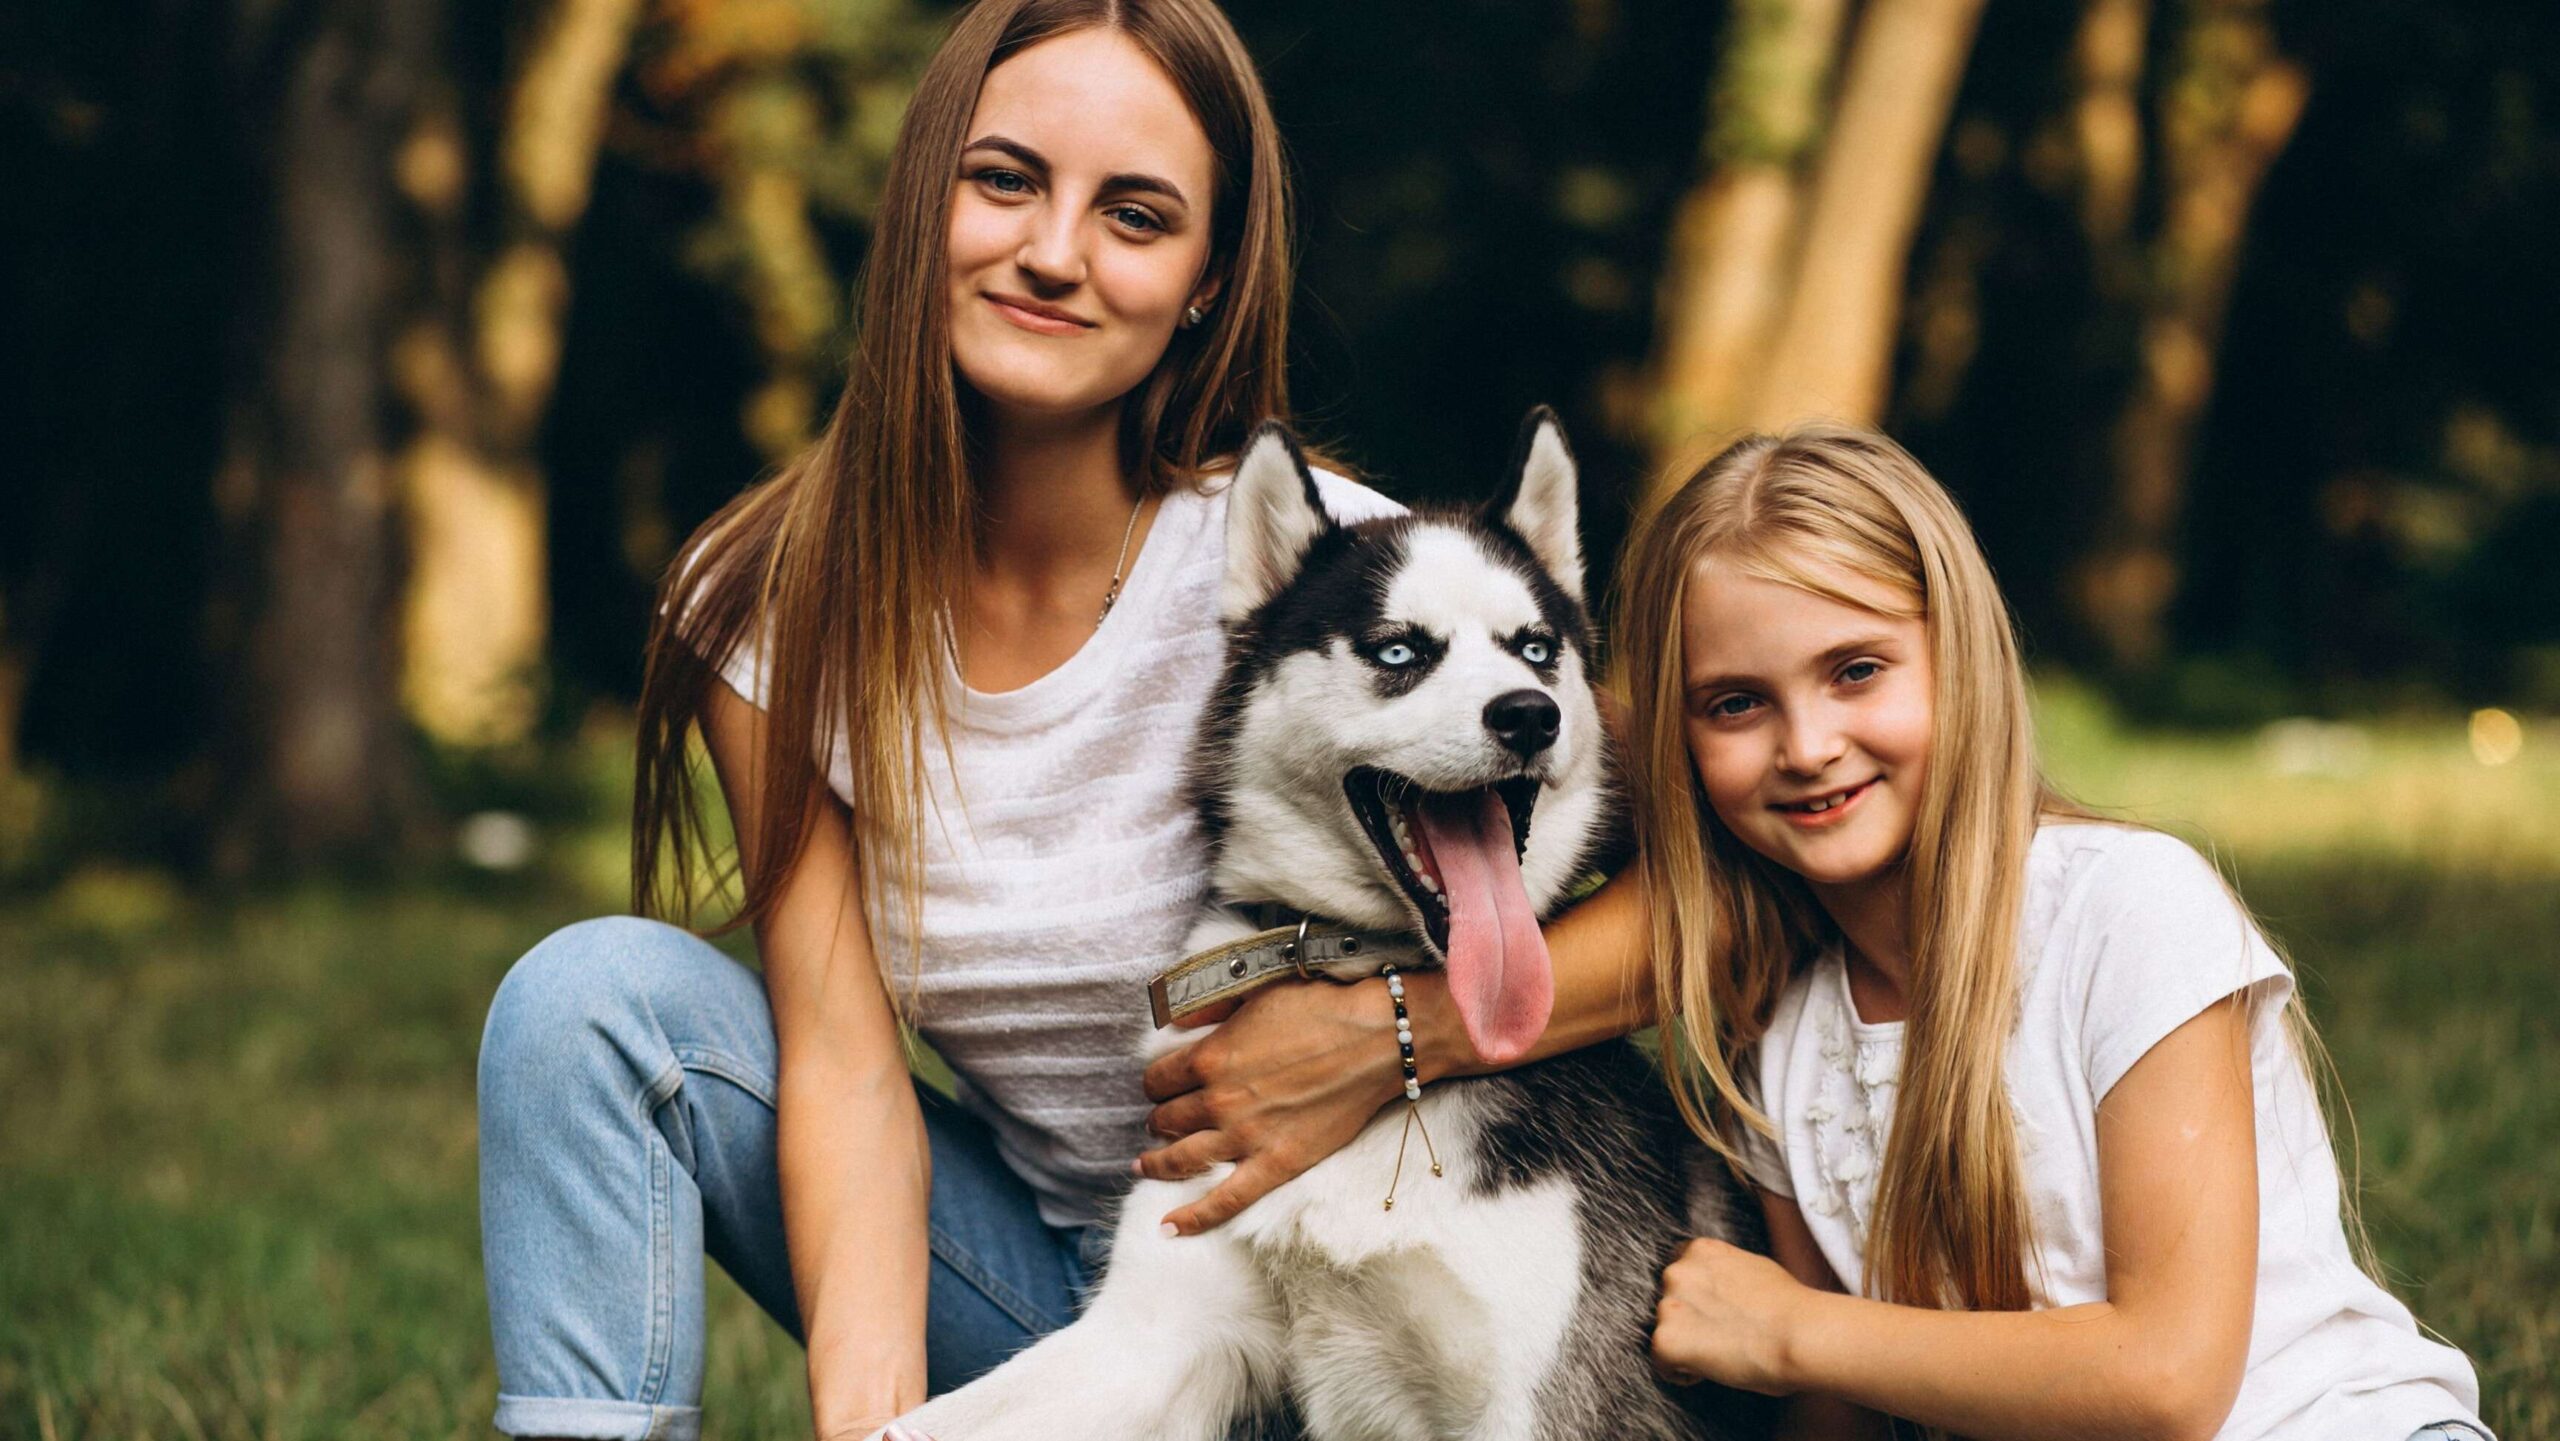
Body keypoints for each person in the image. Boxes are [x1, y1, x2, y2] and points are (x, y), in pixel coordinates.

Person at [473, 2, 1429, 1437]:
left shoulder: (1334, 574)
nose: (1053, 252)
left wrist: (1406, 1030)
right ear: (925, 197)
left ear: (1208, 284)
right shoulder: (771, 605)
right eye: (1005, 180)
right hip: (1068, 1320)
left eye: (1135, 214)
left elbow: (1695, 879)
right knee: (591, 1005)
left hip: (1358, 1340)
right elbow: (851, 1079)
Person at [1622, 427, 2491, 1440]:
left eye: (1856, 670)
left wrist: (1788, 1332)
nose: (1808, 746)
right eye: (1735, 704)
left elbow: (2166, 1384)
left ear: (1960, 657)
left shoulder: (2126, 910)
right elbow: (1838, 1420)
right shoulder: (1776, 1032)